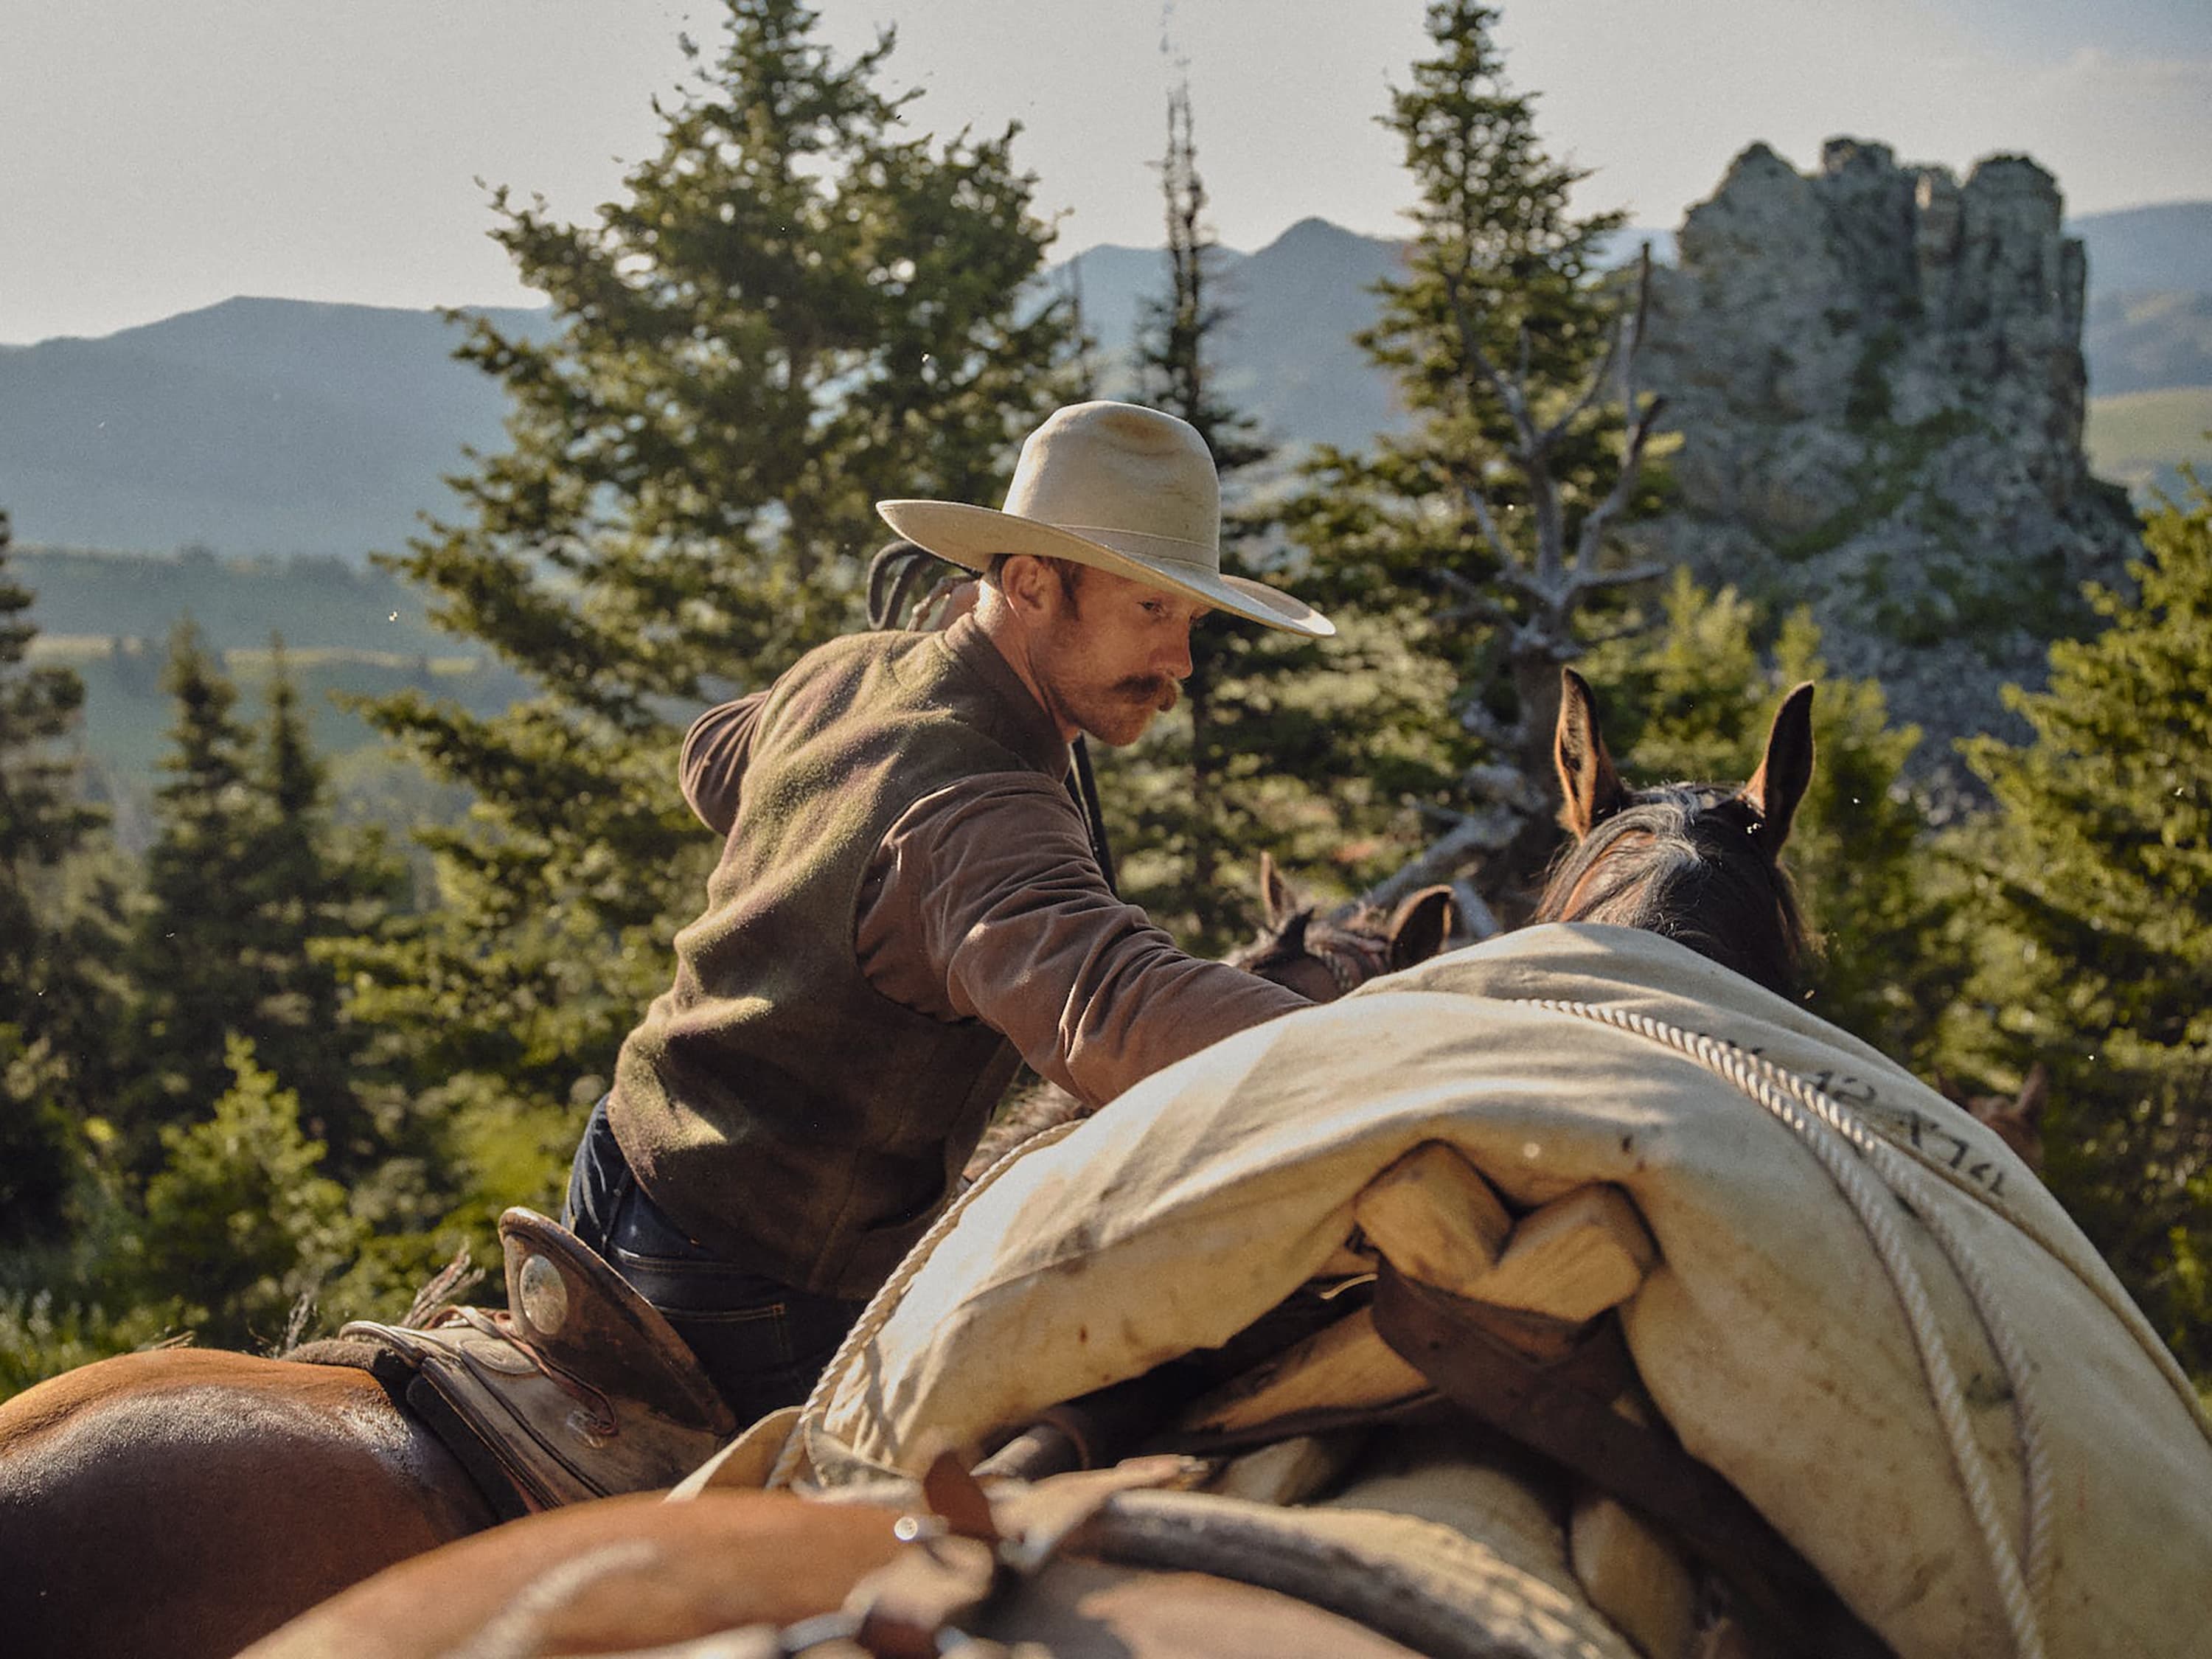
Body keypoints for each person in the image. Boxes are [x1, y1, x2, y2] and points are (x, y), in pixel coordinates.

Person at [563, 400, 1337, 1424]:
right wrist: (1397, 1047)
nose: (1180, 663)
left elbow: (713, 757)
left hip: (617, 1169)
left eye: (1190, 620)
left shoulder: (848, 673)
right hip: (756, 1288)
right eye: (1152, 609)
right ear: (1027, 584)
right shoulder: (984, 805)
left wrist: (826, 823)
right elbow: (1113, 1003)